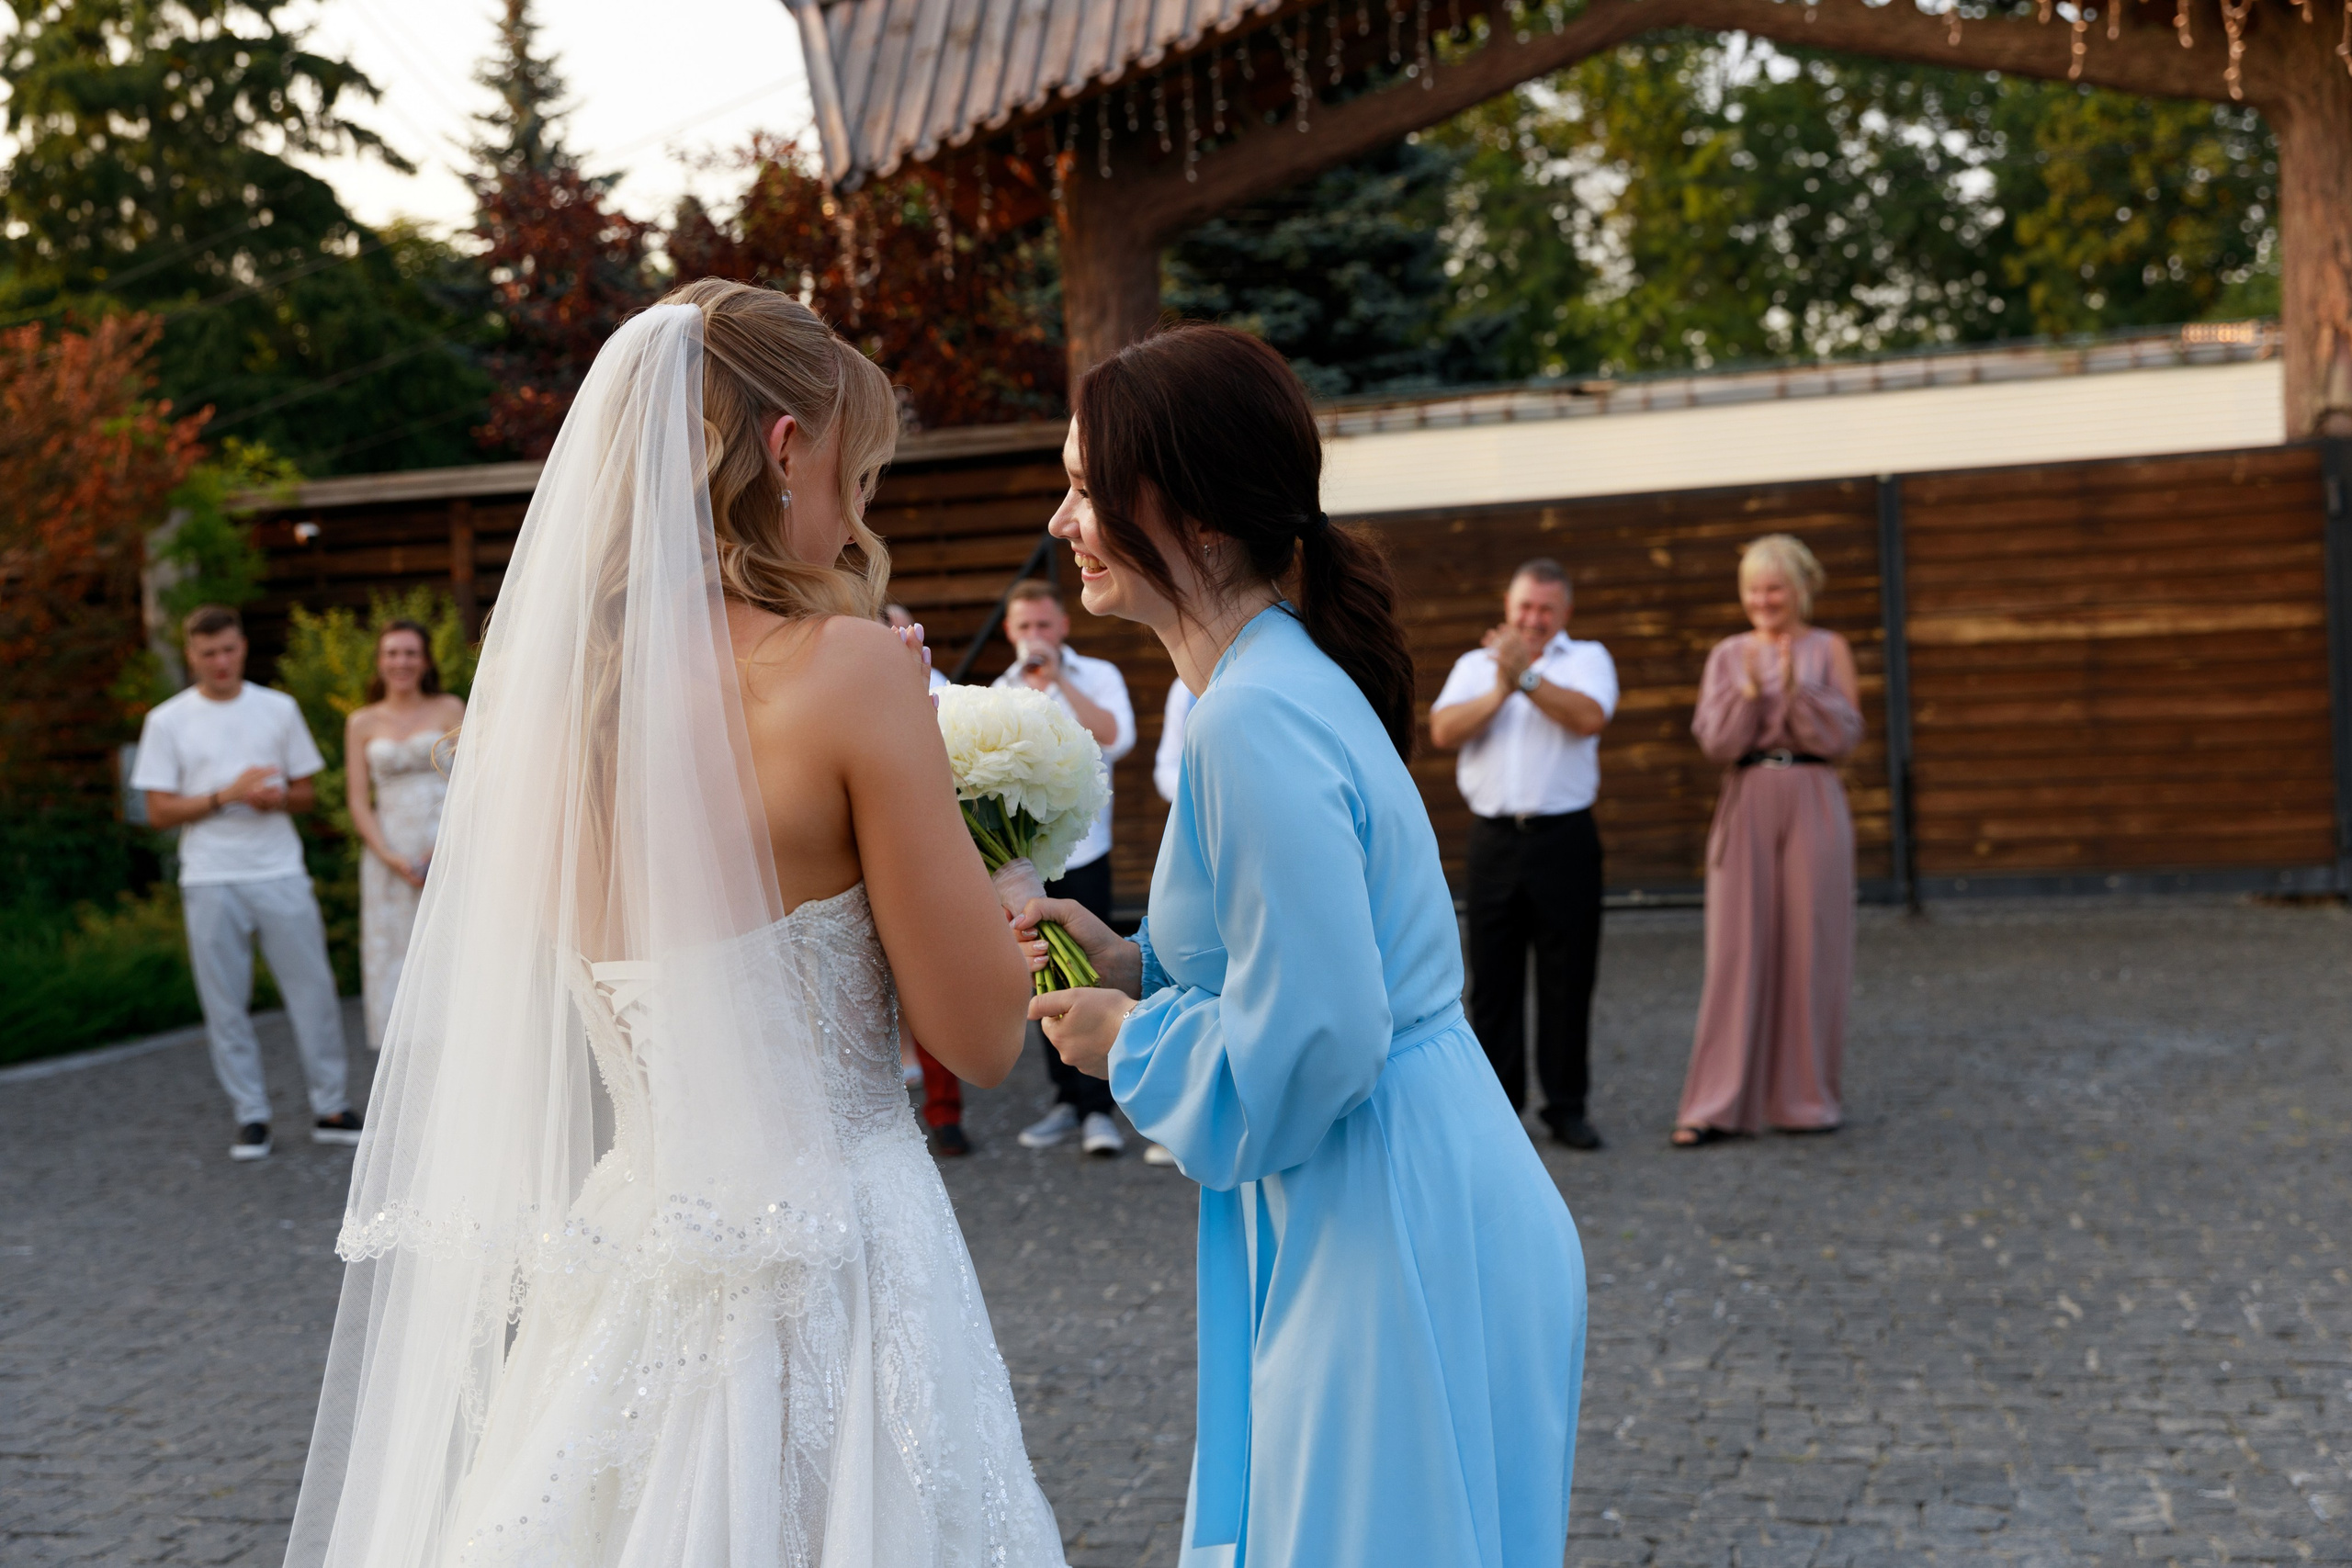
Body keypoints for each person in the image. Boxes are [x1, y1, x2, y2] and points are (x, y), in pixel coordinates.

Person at [285, 283, 1065, 1565]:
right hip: (845, 1249)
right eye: (854, 475)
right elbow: (979, 1036)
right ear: (781, 450)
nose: (856, 517)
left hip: (634, 1246)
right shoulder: (854, 671)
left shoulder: (544, 717)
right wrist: (1005, 891)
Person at [1021, 324, 1586, 1568]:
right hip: (1421, 1168)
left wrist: (1133, 1041)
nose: (1063, 517)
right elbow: (1310, 957)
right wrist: (1126, 960)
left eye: (1084, 485)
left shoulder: (1251, 718)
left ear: (1192, 515)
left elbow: (1322, 1033)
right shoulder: (1273, 679)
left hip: (1386, 1205)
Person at [131, 604, 359, 1162]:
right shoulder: (167, 721)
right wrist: (226, 795)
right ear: (192, 656)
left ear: (242, 648)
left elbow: (310, 793)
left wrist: (277, 797)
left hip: (279, 867)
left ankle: (331, 1107)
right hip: (209, 876)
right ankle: (251, 1116)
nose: (221, 662)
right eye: (209, 653)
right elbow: (157, 811)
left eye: (229, 649)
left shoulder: (278, 708)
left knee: (314, 991)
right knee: (225, 1003)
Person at [1674, 533, 1863, 1146]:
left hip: (1812, 791)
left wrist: (1801, 692)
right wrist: (1748, 697)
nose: (1763, 599)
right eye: (1753, 588)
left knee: (1814, 944)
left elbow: (1846, 734)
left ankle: (1805, 1099)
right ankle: (1716, 1104)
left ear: (1801, 588)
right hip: (1748, 792)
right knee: (1735, 949)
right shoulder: (1728, 654)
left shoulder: (1829, 648)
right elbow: (1715, 741)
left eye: (1774, 587)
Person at [1428, 559, 1618, 1151]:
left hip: (1564, 839)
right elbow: (1443, 731)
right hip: (1494, 840)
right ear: (1508, 608)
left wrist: (1529, 681)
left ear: (1564, 614)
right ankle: (1500, 1107)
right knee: (1494, 978)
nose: (1533, 619)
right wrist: (1504, 684)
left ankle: (1567, 1106)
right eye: (1524, 608)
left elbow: (1589, 718)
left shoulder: (1588, 659)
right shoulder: (1473, 667)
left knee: (1568, 975)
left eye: (1545, 610)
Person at [991, 577, 1136, 1158]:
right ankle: (1064, 1100)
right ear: (1009, 632)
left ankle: (1101, 1104)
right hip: (1030, 863)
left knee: (1093, 968)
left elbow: (1115, 738)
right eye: (1024, 627)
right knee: (1041, 972)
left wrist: (1059, 682)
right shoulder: (999, 690)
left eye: (1044, 625)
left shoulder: (1096, 674)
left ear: (1063, 627)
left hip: (1087, 850)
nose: (1035, 636)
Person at [344, 619, 464, 1051]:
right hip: (388, 856)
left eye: (411, 652)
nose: (402, 661)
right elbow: (359, 800)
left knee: (449, 950)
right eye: (393, 653)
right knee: (394, 954)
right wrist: (389, 856)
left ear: (426, 659)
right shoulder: (361, 722)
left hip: (449, 847)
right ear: (379, 661)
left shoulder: (450, 708)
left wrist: (444, 848)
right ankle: (404, 1058)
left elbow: (471, 782)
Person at [884, 599, 973, 1156]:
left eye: (896, 626)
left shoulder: (947, 693)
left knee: (931, 988)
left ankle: (945, 1113)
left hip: (922, 862)